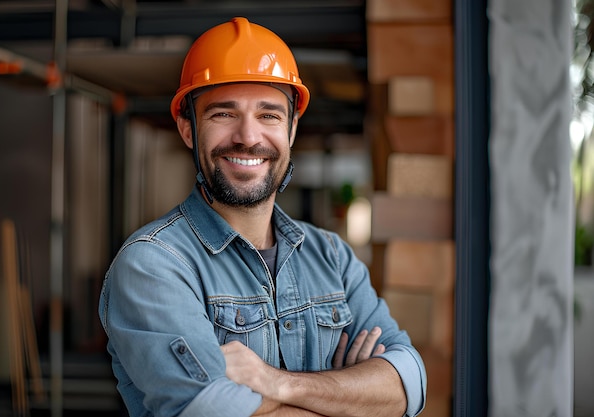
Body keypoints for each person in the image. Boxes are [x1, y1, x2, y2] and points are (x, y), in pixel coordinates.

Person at [99, 17, 426, 417]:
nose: (248, 137)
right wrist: (350, 398)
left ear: (291, 129)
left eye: (269, 115)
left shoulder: (332, 258)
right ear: (188, 128)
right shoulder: (154, 264)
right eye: (223, 114)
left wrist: (277, 384)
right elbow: (209, 411)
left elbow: (406, 385)